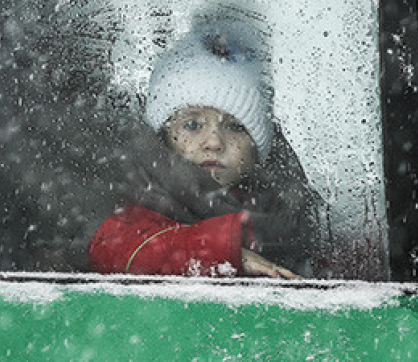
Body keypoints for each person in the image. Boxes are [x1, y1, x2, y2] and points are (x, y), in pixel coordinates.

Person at [89, 19, 312, 278]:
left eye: (236, 127)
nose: (214, 142)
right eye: (193, 125)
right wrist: (222, 253)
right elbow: (116, 247)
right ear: (164, 136)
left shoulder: (283, 208)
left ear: (257, 148)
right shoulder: (143, 197)